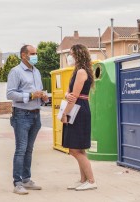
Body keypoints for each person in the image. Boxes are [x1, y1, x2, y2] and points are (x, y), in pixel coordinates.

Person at [7, 45, 48, 195]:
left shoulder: (36, 72)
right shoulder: (16, 72)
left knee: (29, 150)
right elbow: (10, 94)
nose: (35, 55)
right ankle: (17, 183)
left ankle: (26, 180)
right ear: (23, 55)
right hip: (21, 115)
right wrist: (30, 95)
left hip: (36, 115)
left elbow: (39, 92)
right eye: (33, 53)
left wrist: (43, 97)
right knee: (21, 150)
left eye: (36, 53)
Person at [60, 44, 97, 191]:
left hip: (78, 110)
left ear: (77, 55)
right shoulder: (78, 71)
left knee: (74, 149)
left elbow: (73, 97)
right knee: (79, 148)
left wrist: (64, 114)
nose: (69, 56)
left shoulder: (81, 72)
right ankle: (84, 180)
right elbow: (68, 93)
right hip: (79, 108)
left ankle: (92, 181)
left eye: (70, 53)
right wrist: (66, 95)